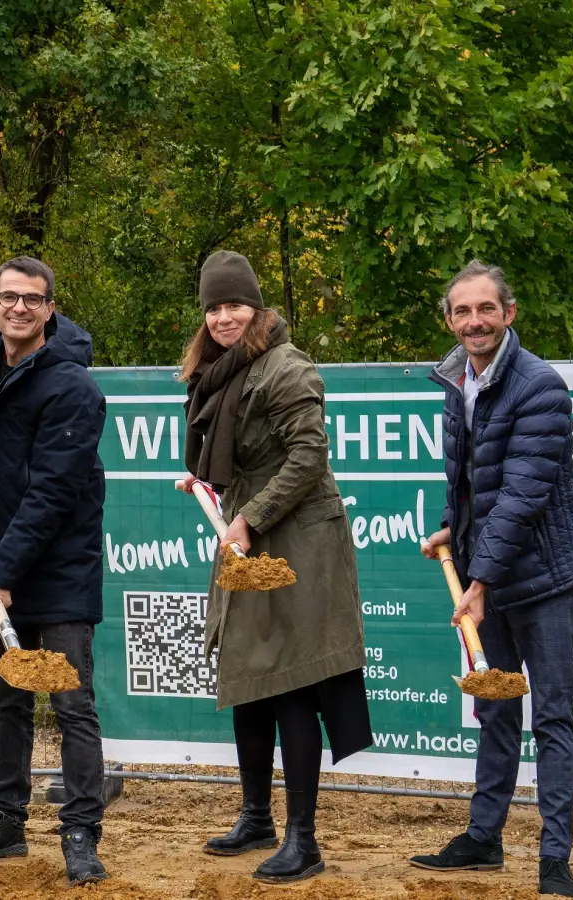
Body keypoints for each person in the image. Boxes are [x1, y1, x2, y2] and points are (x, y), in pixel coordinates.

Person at [176, 250, 371, 885]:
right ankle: (256, 816)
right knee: (246, 671)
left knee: (290, 679)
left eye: (234, 304)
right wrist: (208, 488)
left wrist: (249, 517)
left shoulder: (286, 366)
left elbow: (309, 455)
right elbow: (237, 456)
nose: (223, 316)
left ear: (256, 308)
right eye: (213, 307)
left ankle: (303, 840)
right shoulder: (221, 370)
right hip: (250, 525)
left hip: (300, 537)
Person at [409, 261, 573, 898]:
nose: (475, 322)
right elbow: (472, 483)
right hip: (491, 574)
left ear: (508, 314)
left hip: (542, 581)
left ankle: (555, 858)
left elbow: (522, 494)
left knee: (553, 720)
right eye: (463, 312)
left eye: (486, 309)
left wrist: (477, 582)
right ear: (450, 321)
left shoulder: (542, 386)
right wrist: (451, 529)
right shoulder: (456, 381)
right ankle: (484, 839)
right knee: (494, 712)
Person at [0, 257, 110, 885]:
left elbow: (53, 491)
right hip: (6, 566)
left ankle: (81, 830)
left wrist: (1, 571)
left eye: (31, 300)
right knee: (9, 701)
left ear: (50, 311)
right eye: (8, 297)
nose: (18, 309)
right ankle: (5, 821)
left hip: (58, 571)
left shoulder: (73, 387)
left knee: (70, 704)